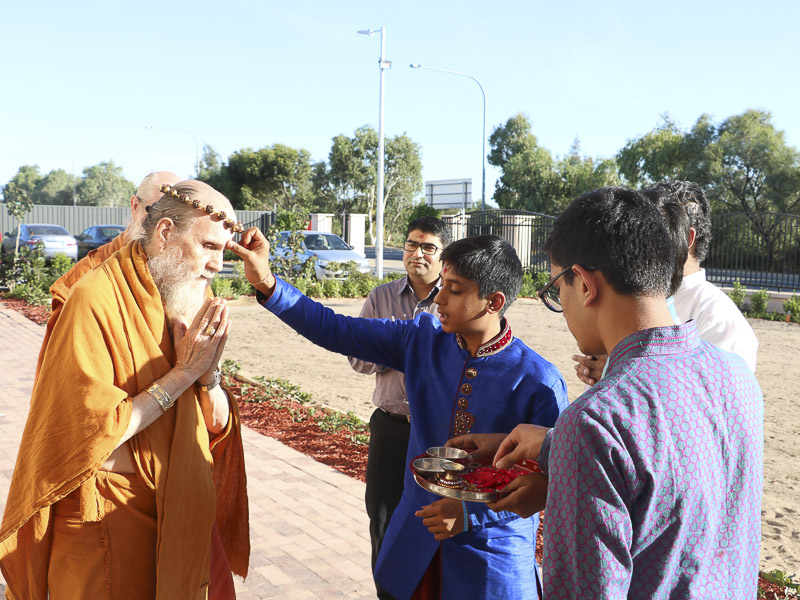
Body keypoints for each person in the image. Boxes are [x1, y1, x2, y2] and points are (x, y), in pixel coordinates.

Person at [457, 187, 764, 599]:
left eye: (556, 291)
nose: (561, 306)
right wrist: (553, 446)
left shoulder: (594, 420)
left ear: (583, 283)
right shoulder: (735, 375)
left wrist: (565, 443)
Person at [229, 230, 568, 599]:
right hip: (413, 544)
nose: (438, 298)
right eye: (443, 285)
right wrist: (266, 281)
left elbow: (551, 483)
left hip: (490, 561)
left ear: (493, 301)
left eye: (454, 290)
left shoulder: (538, 380)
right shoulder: (422, 339)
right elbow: (336, 329)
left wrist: (471, 515)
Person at [0, 181, 250, 599]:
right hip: (106, 528)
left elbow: (215, 424)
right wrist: (184, 374)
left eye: (223, 251)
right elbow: (96, 429)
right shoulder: (93, 298)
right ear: (165, 232)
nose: (216, 265)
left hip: (178, 515)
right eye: (208, 246)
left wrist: (208, 378)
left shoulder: (188, 298)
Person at [347, 216, 450, 598]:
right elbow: (357, 360)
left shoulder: (454, 297)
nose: (417, 253)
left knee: (435, 517)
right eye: (411, 244)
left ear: (443, 255)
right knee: (383, 516)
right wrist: (395, 348)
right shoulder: (380, 297)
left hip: (439, 430)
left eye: (428, 247)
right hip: (391, 426)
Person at [572, 179, 758, 385]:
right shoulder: (635, 294)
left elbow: (709, 401)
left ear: (687, 238)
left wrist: (616, 373)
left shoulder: (719, 318)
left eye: (654, 228)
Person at [35, 171, 181, 380]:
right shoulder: (87, 278)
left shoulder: (186, 278)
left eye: (177, 219)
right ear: (135, 207)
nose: (164, 230)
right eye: (157, 213)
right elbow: (70, 380)